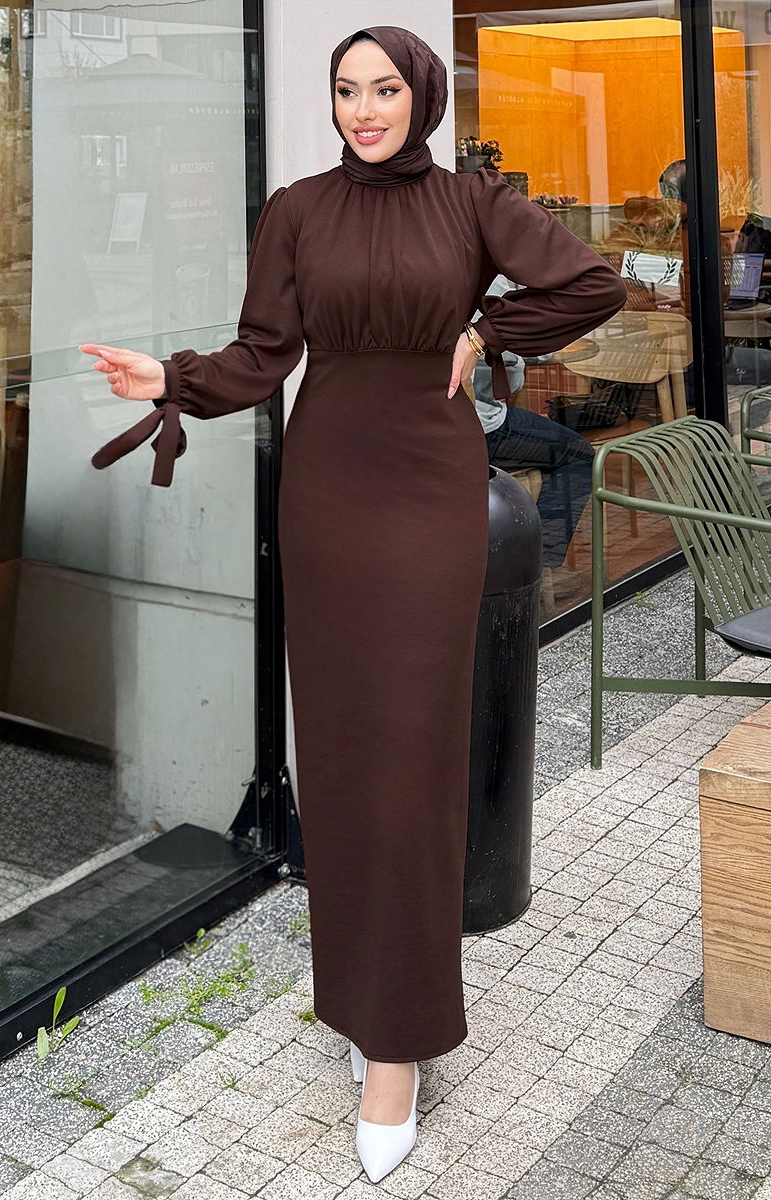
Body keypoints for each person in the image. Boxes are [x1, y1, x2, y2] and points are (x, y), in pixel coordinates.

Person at [79, 26, 626, 1182]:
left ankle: (397, 1045)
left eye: (382, 89)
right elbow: (262, 353)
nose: (363, 108)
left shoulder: (472, 205)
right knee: (338, 758)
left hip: (428, 494)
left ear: (419, 95)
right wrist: (172, 379)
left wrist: (486, 332)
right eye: (344, 90)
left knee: (411, 757)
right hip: (327, 490)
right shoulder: (296, 210)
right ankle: (362, 997)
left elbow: (591, 282)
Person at [471, 276, 594, 569]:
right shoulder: (497, 289)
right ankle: (535, 563)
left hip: (422, 429)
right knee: (578, 455)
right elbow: (526, 350)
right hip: (480, 430)